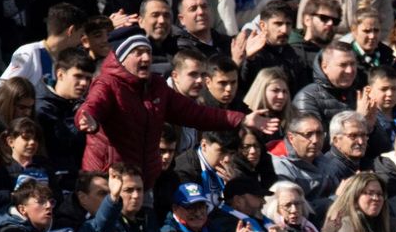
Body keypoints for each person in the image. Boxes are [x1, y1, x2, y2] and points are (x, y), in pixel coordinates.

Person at [78, 28, 275, 187]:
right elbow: (92, 105)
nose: (146, 58)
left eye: (147, 52)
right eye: (138, 53)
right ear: (121, 58)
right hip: (107, 181)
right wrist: (87, 118)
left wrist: (242, 119)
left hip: (143, 181)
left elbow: (196, 113)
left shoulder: (156, 86)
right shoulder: (107, 83)